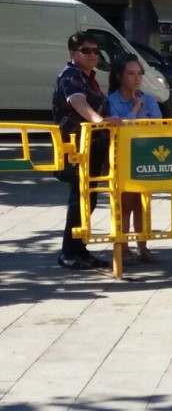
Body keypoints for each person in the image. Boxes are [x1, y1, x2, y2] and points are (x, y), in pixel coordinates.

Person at [51, 31, 121, 270]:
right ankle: (69, 253)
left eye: (95, 50)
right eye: (86, 50)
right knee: (79, 199)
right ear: (73, 53)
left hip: (92, 146)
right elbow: (78, 102)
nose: (92, 55)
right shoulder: (71, 76)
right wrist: (98, 121)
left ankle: (79, 250)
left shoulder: (88, 76)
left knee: (87, 199)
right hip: (77, 147)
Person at [106, 55, 162, 266]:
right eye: (131, 74)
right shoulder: (111, 100)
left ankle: (143, 246)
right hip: (122, 157)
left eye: (139, 74)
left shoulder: (149, 99)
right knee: (125, 204)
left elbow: (157, 124)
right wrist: (135, 111)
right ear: (120, 76)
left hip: (146, 156)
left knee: (143, 204)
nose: (136, 78)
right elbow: (118, 127)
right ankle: (123, 246)